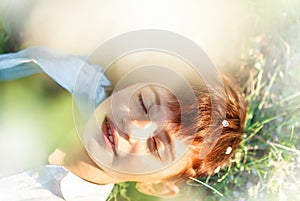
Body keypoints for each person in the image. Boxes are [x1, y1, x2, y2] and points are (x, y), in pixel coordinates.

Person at [0, 47, 246, 200]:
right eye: (144, 103)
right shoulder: (69, 75)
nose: (134, 125)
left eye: (155, 144)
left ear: (157, 185)